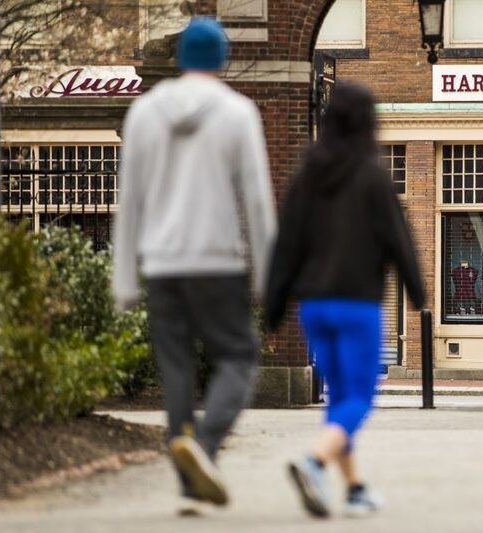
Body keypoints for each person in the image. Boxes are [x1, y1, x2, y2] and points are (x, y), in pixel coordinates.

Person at [112, 17, 277, 513]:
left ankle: (189, 485)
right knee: (239, 357)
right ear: (222, 60)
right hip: (217, 261)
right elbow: (257, 201)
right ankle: (203, 447)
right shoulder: (237, 112)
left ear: (182, 58)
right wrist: (270, 279)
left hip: (162, 264)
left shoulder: (144, 113)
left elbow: (131, 201)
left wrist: (124, 280)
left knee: (177, 367)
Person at [265, 81, 425, 518]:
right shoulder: (373, 177)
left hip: (313, 307)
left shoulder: (305, 178)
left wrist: (275, 303)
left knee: (338, 398)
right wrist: (417, 291)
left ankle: (354, 488)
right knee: (359, 399)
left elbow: (286, 245)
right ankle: (313, 461)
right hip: (356, 304)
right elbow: (399, 240)